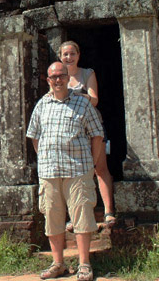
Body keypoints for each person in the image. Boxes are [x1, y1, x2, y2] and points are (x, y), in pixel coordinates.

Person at [27, 62, 104, 281]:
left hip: (78, 169)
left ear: (67, 78)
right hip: (50, 172)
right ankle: (58, 263)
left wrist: (91, 163)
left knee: (82, 217)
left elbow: (97, 135)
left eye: (61, 76)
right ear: (48, 80)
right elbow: (35, 136)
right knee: (52, 217)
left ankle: (84, 264)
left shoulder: (82, 103)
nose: (58, 80)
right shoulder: (42, 105)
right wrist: (45, 157)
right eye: (53, 77)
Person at [58, 40, 116, 229]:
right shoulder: (58, 77)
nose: (69, 57)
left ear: (78, 55)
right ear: (60, 57)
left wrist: (75, 96)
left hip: (92, 128)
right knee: (73, 173)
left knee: (100, 169)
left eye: (72, 53)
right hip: (70, 131)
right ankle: (76, 217)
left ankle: (108, 211)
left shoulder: (87, 73)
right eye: (65, 54)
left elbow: (94, 99)